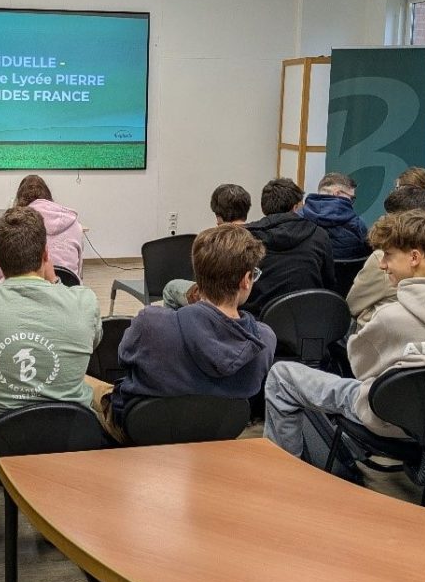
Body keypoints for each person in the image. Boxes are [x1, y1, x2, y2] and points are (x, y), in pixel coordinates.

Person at [264, 210, 425, 464]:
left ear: (414, 257)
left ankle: (285, 470)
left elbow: (361, 371)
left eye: (388, 255)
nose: (382, 264)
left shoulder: (390, 318)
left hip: (391, 420)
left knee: (281, 376)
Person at [0, 206, 102, 539]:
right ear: (46, 254)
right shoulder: (84, 302)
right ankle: (54, 516)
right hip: (69, 438)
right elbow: (93, 342)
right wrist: (54, 282)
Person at [92, 225, 276, 443]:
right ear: (246, 280)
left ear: (197, 275)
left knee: (84, 386)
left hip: (140, 433)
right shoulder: (264, 341)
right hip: (216, 435)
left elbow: (124, 359)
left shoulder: (150, 323)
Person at [347, 186, 425, 331]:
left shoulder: (384, 259)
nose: (383, 265)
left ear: (392, 220)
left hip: (385, 334)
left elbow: (352, 305)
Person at [242, 178, 335, 317]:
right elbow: (329, 284)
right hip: (308, 319)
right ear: (296, 207)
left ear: (263, 207)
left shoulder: (244, 237)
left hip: (255, 321)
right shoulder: (319, 235)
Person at [162, 183, 251, 309]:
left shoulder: (212, 240)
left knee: (171, 288)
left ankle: (178, 321)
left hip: (217, 296)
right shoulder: (257, 238)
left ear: (218, 215)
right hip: (246, 297)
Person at [0, 174, 83, 283]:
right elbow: (78, 273)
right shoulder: (75, 226)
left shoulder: (15, 226)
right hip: (68, 287)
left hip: (20, 290)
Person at [300, 172, 369, 260]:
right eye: (351, 198)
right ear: (337, 193)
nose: (351, 203)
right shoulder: (357, 225)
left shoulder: (297, 218)